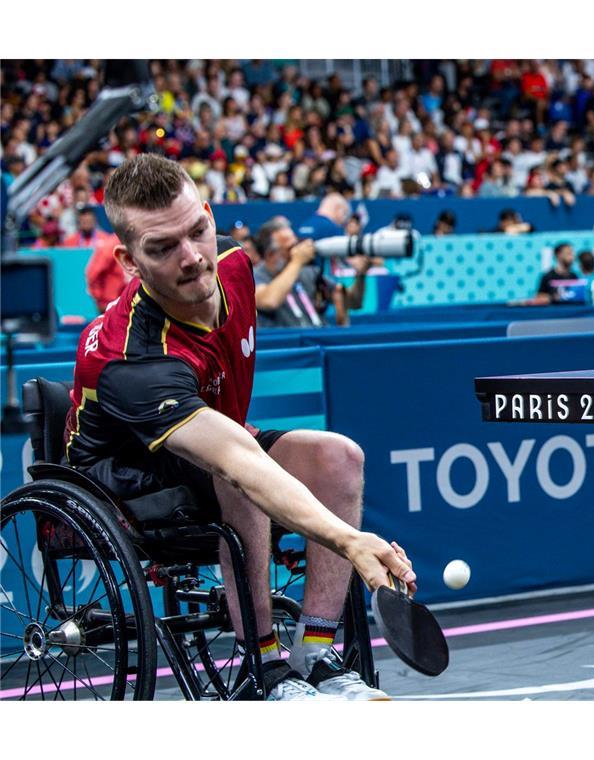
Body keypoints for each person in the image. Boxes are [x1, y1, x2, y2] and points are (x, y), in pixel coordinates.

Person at [62, 155, 414, 701]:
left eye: (197, 232)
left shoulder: (233, 262)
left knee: (339, 457)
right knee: (238, 472)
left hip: (214, 439)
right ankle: (265, 666)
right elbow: (237, 461)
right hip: (122, 479)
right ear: (129, 261)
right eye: (162, 248)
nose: (191, 259)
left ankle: (316, 652)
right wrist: (351, 541)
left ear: (208, 214)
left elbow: (233, 447)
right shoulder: (132, 356)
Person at [252, 217, 369, 328]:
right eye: (290, 248)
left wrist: (361, 274)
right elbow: (269, 301)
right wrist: (296, 262)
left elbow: (354, 302)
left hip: (318, 340)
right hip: (287, 344)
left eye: (297, 244)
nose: (297, 251)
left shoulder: (307, 272)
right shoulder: (255, 276)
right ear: (270, 254)